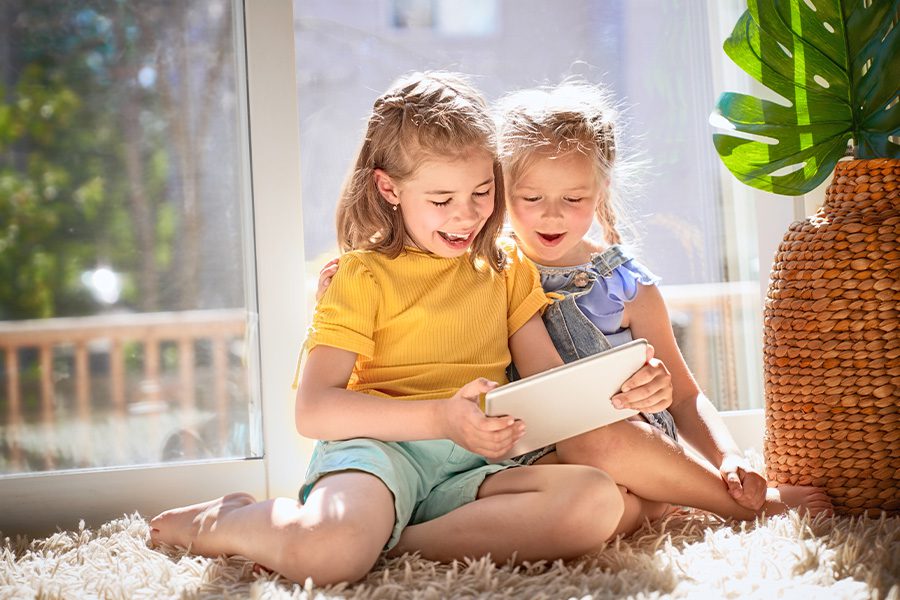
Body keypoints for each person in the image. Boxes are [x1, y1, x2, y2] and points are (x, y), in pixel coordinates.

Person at [149, 72, 662, 586]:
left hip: (477, 463)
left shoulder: (508, 269)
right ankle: (229, 518)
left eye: (483, 192)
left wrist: (631, 386)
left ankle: (387, 539)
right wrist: (442, 418)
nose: (466, 217)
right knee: (326, 556)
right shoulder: (362, 274)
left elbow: (550, 386)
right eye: (441, 200)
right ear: (388, 187)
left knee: (596, 502)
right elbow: (314, 410)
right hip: (379, 453)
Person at [491, 80, 832, 520]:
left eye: (573, 198)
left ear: (601, 191)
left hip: (631, 444)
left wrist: (729, 456)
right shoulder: (487, 275)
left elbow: (685, 398)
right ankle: (671, 504)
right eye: (531, 197)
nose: (551, 214)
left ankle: (736, 501)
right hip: (541, 462)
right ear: (501, 190)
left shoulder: (626, 283)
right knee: (606, 501)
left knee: (596, 438)